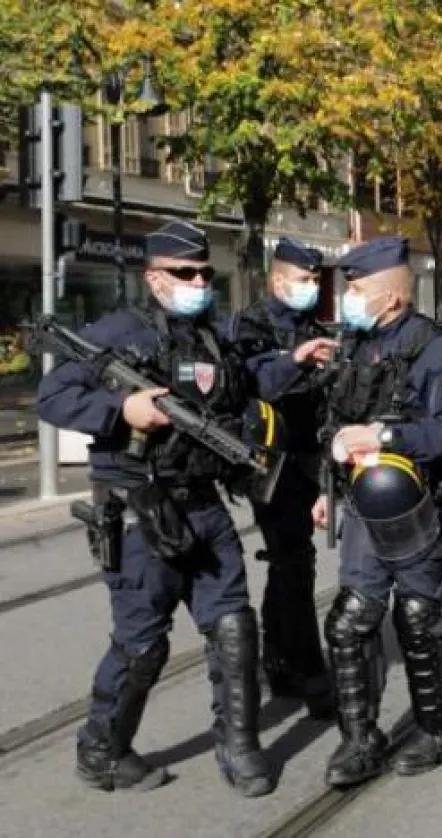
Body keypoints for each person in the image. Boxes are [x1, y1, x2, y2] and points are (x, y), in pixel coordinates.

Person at [37, 220, 278, 797]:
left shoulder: (211, 337)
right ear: (154, 278)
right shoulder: (118, 332)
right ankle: (102, 750)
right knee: (142, 642)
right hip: (139, 508)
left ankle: (240, 746)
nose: (198, 281)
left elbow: (246, 387)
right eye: (184, 273)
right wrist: (124, 410)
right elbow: (54, 397)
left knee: (235, 625)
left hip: (202, 502)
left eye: (203, 273)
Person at [312, 236, 442, 787]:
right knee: (350, 620)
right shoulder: (353, 346)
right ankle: (359, 739)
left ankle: (434, 729)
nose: (346, 299)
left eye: (355, 289)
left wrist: (388, 434)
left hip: (419, 506)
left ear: (389, 298)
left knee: (417, 617)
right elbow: (337, 425)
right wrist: (327, 490)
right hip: (362, 507)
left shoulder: (438, 350)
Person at [222, 238, 340, 719]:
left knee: (292, 563)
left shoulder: (312, 324)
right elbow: (247, 385)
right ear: (277, 279)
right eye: (304, 279)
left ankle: (280, 659)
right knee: (294, 562)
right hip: (272, 462)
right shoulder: (249, 326)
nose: (312, 287)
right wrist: (293, 360)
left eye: (316, 280)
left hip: (311, 456)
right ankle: (310, 673)